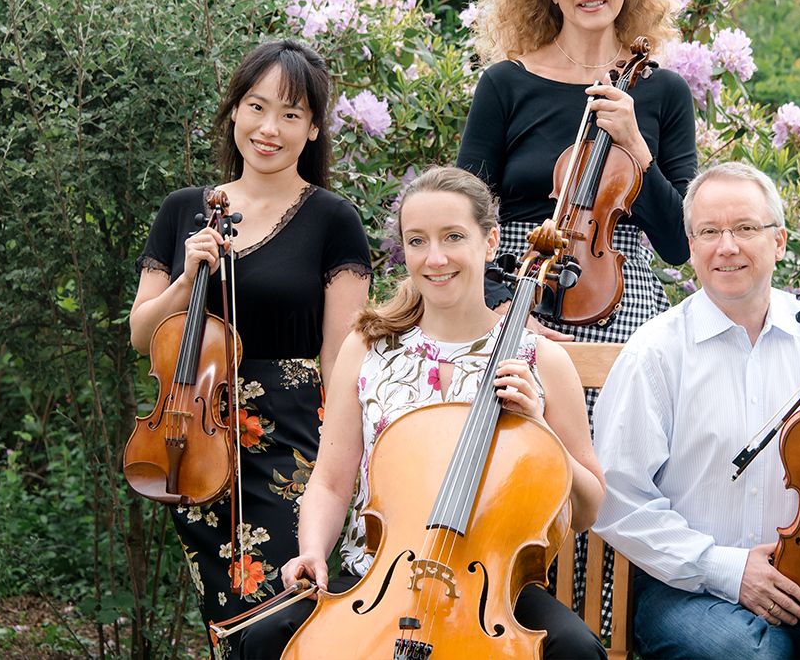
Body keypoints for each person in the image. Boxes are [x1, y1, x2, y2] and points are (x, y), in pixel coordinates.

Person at [238, 166, 607, 659]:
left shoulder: (543, 361)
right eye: (417, 241)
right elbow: (329, 481)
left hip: (491, 590)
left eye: (453, 237)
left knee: (577, 650)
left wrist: (540, 427)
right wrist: (311, 552)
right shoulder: (367, 349)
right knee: (265, 638)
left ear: (490, 241)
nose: (435, 258)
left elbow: (588, 510)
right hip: (376, 579)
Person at [591, 161, 800, 660]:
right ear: (692, 247)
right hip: (691, 586)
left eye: (745, 228)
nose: (727, 247)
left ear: (779, 241)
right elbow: (617, 499)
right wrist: (727, 568)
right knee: (748, 655)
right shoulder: (655, 352)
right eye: (709, 232)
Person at [129, 39, 372, 657]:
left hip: (294, 439)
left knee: (288, 612)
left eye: (290, 114)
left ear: (312, 129)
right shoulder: (184, 211)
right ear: (234, 109)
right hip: (196, 438)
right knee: (228, 624)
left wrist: (346, 455)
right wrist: (186, 281)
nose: (269, 128)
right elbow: (141, 333)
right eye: (257, 107)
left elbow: (341, 355)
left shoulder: (333, 219)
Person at [458, 0, 697, 345]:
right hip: (515, 294)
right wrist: (503, 308)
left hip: (623, 306)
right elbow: (463, 217)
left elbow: (679, 244)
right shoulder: (505, 84)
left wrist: (635, 146)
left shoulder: (665, 91)